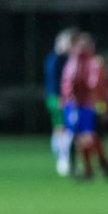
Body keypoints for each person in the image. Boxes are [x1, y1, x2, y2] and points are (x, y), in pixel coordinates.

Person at [60, 32, 108, 181]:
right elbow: (67, 84)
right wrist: (66, 100)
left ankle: (99, 164)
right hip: (76, 106)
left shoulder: (94, 63)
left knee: (89, 137)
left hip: (91, 105)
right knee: (85, 137)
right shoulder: (74, 61)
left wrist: (105, 104)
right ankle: (98, 165)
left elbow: (99, 85)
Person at [45, 29, 77, 176]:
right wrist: (59, 98)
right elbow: (54, 81)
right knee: (61, 127)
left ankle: (64, 156)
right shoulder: (55, 59)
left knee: (66, 128)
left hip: (65, 98)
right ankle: (62, 158)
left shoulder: (66, 59)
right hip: (56, 97)